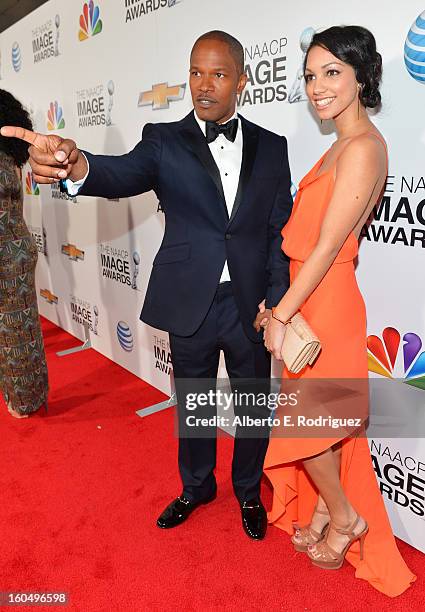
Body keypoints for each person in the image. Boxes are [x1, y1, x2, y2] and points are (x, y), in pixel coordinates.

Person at [2, 31, 293, 539]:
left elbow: (276, 231)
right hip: (189, 302)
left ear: (243, 81)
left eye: (219, 75)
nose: (204, 86)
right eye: (196, 73)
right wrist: (75, 163)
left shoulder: (273, 147)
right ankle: (197, 486)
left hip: (250, 305)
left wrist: (275, 300)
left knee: (252, 405)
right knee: (194, 404)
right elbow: (117, 173)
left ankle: (248, 490)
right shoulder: (164, 139)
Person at [261, 26, 415, 595]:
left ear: (360, 77)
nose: (316, 87)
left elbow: (327, 245)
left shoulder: (365, 146)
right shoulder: (340, 142)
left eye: (331, 73)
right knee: (316, 425)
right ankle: (330, 511)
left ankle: (347, 518)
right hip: (310, 294)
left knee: (311, 427)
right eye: (309, 75)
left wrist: (280, 314)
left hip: (326, 300)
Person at [0, 89, 48, 418]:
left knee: (17, 333)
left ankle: (25, 401)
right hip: (16, 249)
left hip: (8, 255)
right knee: (18, 330)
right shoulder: (10, 156)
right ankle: (25, 395)